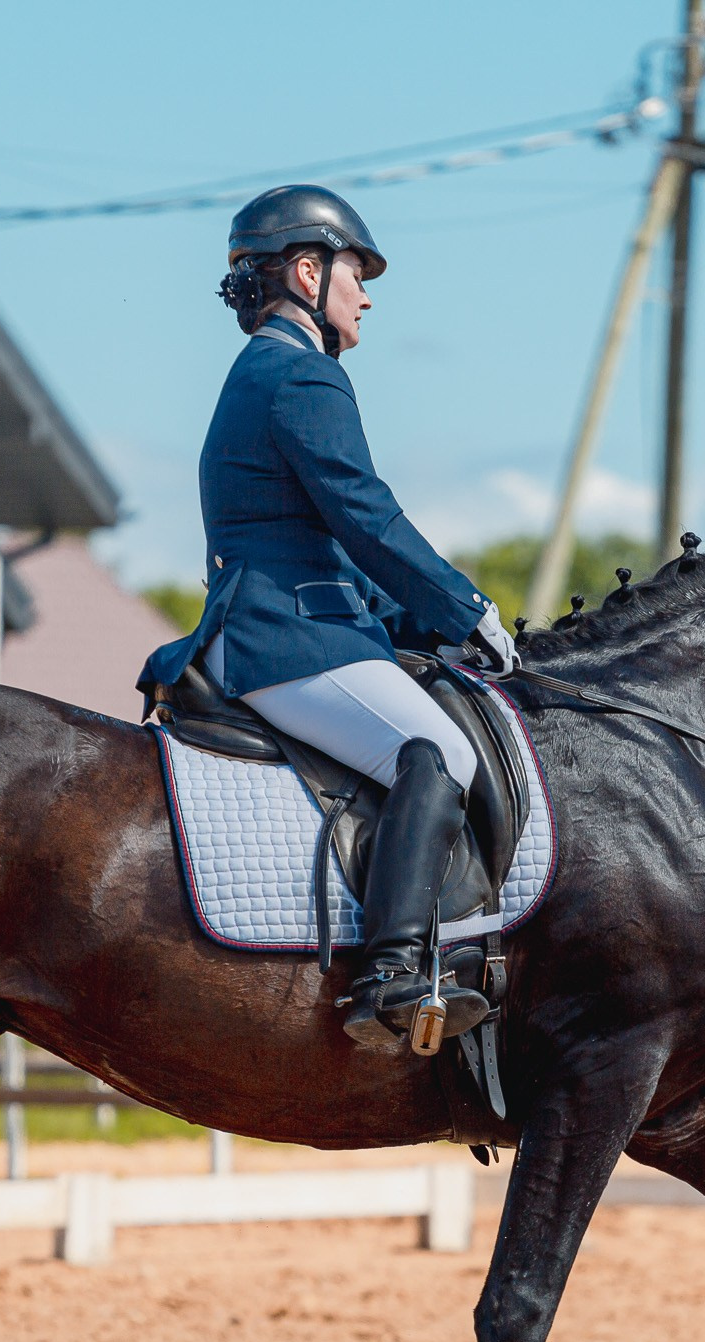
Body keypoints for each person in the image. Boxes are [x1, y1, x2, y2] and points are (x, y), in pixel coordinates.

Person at [140, 185, 517, 1046]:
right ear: (308, 273)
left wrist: (427, 628)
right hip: (284, 637)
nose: (367, 296)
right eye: (357, 273)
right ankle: (393, 976)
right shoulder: (303, 373)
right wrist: (469, 607)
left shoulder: (263, 370)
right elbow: (366, 518)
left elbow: (332, 553)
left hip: (287, 620)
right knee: (440, 752)